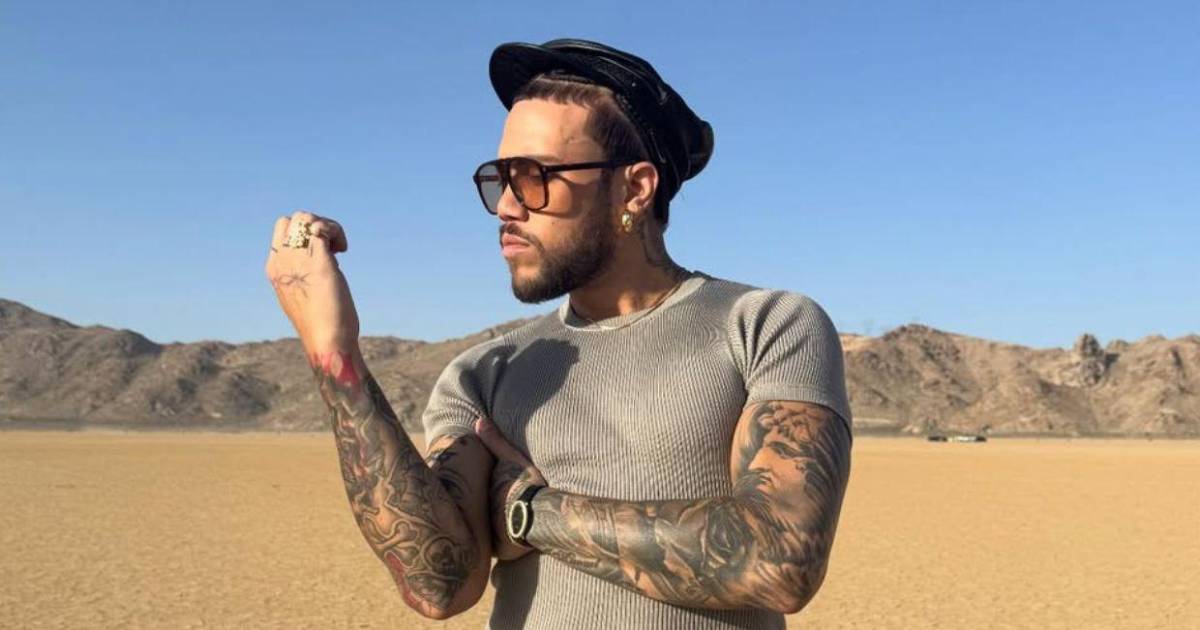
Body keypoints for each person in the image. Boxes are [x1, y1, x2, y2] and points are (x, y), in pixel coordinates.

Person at [266, 38, 852, 629]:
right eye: (500, 178)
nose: (506, 207)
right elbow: (439, 583)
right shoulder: (484, 373)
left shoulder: (765, 325)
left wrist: (530, 513)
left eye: (533, 177)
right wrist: (334, 356)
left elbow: (780, 560)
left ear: (634, 189)